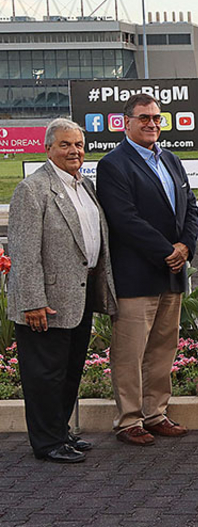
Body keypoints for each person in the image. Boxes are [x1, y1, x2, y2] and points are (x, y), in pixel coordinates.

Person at [7, 119, 118, 463]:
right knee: (44, 374)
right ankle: (47, 442)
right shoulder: (33, 188)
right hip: (46, 301)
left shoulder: (84, 185)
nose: (74, 151)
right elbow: (24, 251)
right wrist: (32, 301)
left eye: (79, 145)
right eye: (65, 145)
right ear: (49, 148)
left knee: (69, 370)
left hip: (79, 294)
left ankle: (61, 432)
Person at [96, 93, 198, 446]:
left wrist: (186, 247)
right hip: (136, 276)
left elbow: (190, 207)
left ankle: (155, 414)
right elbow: (125, 219)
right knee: (130, 353)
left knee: (162, 350)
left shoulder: (170, 159)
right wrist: (166, 251)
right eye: (144, 118)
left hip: (172, 273)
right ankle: (128, 420)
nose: (152, 124)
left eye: (156, 118)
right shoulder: (114, 164)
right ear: (126, 122)